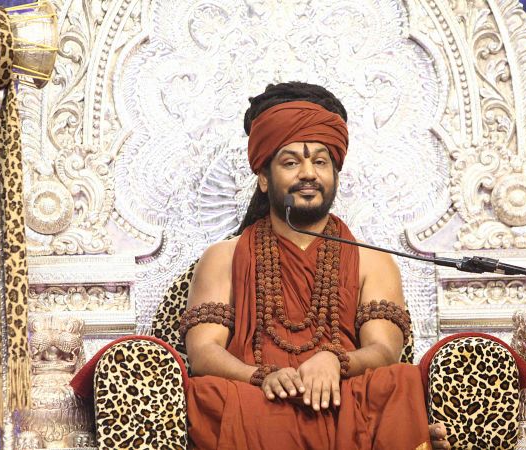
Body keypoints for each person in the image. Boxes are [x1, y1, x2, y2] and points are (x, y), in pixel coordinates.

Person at [181, 82, 449, 449]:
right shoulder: (223, 256)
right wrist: (261, 375)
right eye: (291, 162)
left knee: (399, 380)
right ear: (263, 178)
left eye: (320, 161)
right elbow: (203, 353)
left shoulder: (373, 261)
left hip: (343, 396)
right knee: (207, 394)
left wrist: (334, 361)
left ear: (335, 174)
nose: (308, 173)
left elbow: (385, 350)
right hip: (258, 396)